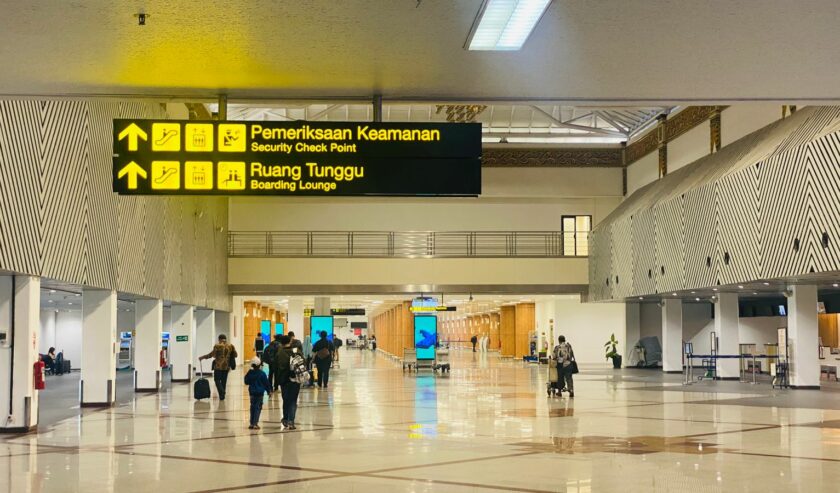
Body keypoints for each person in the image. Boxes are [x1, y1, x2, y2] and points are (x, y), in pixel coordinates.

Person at [199, 334, 238, 401]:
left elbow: (211, 355)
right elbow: (236, 355)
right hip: (226, 367)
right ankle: (222, 396)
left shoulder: (217, 346)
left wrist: (202, 357)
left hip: (218, 366)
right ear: (225, 338)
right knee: (224, 381)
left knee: (216, 380)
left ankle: (222, 392)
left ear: (219, 339)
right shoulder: (231, 346)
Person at [275, 335, 301, 429]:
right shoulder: (296, 351)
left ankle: (285, 419)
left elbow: (276, 367)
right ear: (290, 341)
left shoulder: (280, 352)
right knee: (293, 401)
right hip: (295, 379)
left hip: (284, 380)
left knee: (286, 400)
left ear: (281, 343)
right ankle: (291, 422)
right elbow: (302, 362)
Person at [244, 357, 271, 430]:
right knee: (258, 408)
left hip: (252, 393)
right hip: (259, 393)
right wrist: (269, 391)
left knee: (252, 407)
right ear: (259, 365)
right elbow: (266, 383)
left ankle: (251, 423)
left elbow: (246, 381)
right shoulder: (262, 374)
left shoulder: (250, 373)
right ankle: (255, 423)